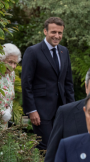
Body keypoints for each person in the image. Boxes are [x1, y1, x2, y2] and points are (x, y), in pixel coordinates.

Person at [22, 17, 75, 150]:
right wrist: (32, 110)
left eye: (60, 33)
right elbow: (26, 83)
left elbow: (68, 83)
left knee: (61, 146)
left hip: (61, 110)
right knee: (46, 147)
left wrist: (72, 108)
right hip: (41, 111)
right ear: (45, 31)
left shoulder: (64, 52)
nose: (57, 36)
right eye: (53, 32)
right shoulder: (33, 52)